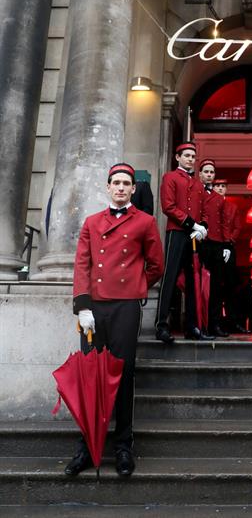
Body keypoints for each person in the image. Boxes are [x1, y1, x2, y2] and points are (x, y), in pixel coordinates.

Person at [66, 162, 164, 477]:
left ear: (133, 189)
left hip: (125, 307)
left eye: (126, 183)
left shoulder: (146, 221)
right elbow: (82, 264)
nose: (121, 187)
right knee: (90, 376)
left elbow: (156, 265)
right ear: (108, 187)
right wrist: (82, 307)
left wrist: (135, 286)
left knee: (123, 374)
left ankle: (123, 446)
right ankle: (86, 446)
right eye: (116, 182)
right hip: (94, 307)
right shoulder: (92, 222)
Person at [155, 142, 214, 343]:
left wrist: (203, 226)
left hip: (194, 236)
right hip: (177, 232)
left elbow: (204, 210)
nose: (190, 159)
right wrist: (192, 224)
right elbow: (168, 206)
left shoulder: (198, 184)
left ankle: (192, 327)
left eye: (193, 156)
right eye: (187, 155)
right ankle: (161, 326)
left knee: (193, 281)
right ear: (178, 157)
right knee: (170, 277)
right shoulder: (169, 177)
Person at [199, 159, 230, 337]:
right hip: (201, 241)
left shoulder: (219, 198)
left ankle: (215, 323)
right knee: (200, 285)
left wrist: (227, 245)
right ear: (200, 174)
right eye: (206, 172)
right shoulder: (195, 192)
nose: (209, 175)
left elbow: (224, 222)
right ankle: (200, 323)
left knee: (217, 286)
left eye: (212, 172)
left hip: (217, 243)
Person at [213, 179, 248, 333]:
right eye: (217, 186)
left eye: (223, 186)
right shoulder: (208, 204)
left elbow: (238, 227)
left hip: (229, 248)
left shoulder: (233, 207)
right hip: (213, 246)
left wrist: (229, 241)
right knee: (215, 286)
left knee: (230, 286)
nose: (220, 188)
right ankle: (214, 322)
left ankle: (232, 322)